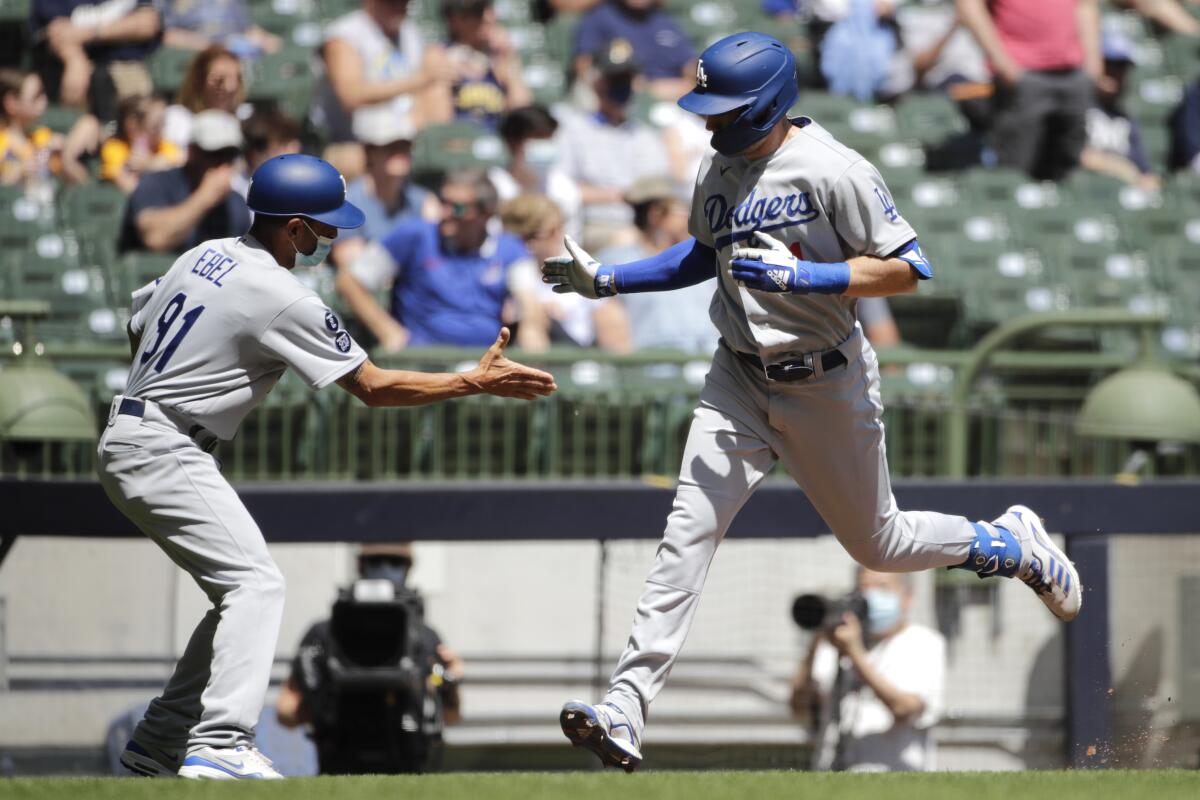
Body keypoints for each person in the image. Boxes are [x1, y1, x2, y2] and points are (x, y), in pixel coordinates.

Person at [543, 32, 1081, 772]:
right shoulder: (720, 163)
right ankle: (627, 707)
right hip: (736, 376)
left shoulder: (834, 169)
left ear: (765, 104)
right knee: (686, 538)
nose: (709, 121)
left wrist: (809, 280)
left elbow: (907, 270)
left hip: (826, 378)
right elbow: (704, 253)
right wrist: (610, 281)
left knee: (877, 545)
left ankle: (1005, 544)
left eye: (723, 108)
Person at [100, 153, 556, 780]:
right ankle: (221, 743)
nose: (332, 237)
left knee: (235, 593)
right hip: (164, 443)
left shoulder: (202, 253)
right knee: (256, 586)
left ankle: (161, 737)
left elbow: (138, 322)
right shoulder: (281, 292)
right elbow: (372, 387)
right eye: (323, 225)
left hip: (137, 427)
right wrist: (472, 382)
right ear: (292, 226)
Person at [275, 543, 465, 774]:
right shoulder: (324, 635)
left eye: (395, 562)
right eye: (376, 562)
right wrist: (319, 701)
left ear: (408, 567)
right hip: (339, 762)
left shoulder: (422, 637)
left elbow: (450, 715)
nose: (385, 569)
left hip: (407, 762)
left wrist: (451, 680)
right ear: (361, 565)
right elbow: (286, 711)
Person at [336, 169, 529, 350]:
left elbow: (531, 307)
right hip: (423, 363)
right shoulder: (415, 236)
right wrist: (388, 332)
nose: (445, 213)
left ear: (486, 213)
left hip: (485, 362)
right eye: (443, 202)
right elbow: (350, 281)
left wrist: (533, 339)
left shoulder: (509, 249)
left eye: (458, 208)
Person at [789, 569, 945, 771]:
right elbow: (799, 707)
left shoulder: (923, 642)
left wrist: (855, 654)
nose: (870, 596)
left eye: (882, 587)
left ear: (907, 596)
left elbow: (906, 709)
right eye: (864, 588)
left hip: (895, 779)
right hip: (830, 777)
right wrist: (816, 642)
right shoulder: (835, 643)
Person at [955, 0, 1102, 181]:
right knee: (1015, 169)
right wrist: (1003, 64)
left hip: (1073, 73)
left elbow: (1085, 6)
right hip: (1022, 76)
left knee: (1071, 168)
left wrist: (1093, 61)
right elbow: (969, 6)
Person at [556, 39, 671, 251]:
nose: (620, 86)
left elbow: (659, 189)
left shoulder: (643, 134)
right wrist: (620, 195)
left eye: (625, 79)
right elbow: (562, 187)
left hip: (643, 226)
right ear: (597, 82)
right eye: (614, 79)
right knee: (629, 240)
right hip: (593, 225)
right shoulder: (573, 129)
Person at [599, 175, 716, 354]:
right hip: (653, 372)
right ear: (656, 214)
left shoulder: (708, 256)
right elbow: (615, 338)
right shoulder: (614, 263)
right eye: (682, 208)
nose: (690, 215)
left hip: (712, 367)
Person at [310, 0, 454, 146]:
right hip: (349, 140)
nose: (398, 8)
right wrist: (417, 81)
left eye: (402, 3)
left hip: (403, 131)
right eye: (390, 3)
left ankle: (438, 150)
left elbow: (428, 78)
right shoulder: (346, 34)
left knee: (437, 86)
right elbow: (351, 96)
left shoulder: (409, 31)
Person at [500, 193, 631, 351]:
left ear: (557, 230)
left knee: (611, 314)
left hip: (582, 351)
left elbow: (609, 320)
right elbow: (527, 313)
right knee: (533, 322)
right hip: (542, 353)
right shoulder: (520, 269)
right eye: (524, 238)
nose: (530, 245)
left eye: (535, 236)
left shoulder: (583, 265)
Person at [118, 109, 250, 253]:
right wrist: (204, 198)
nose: (222, 164)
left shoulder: (236, 204)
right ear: (192, 151)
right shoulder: (156, 183)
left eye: (230, 156)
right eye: (214, 154)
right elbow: (154, 237)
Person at [330, 104, 438, 271]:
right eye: (391, 147)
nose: (400, 152)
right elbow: (353, 268)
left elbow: (437, 260)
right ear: (370, 152)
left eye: (405, 146)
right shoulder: (347, 203)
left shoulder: (424, 202)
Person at [31, 0, 160, 118]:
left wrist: (92, 33)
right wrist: (75, 60)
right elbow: (54, 31)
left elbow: (148, 23)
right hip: (81, 72)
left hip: (126, 69)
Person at [1080, 33, 1160, 192]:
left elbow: (1146, 172)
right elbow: (1077, 157)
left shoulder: (1126, 119)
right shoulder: (1073, 109)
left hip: (1124, 195)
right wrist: (1122, 169)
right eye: (1109, 64)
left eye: (1121, 67)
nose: (1114, 73)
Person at [571, 0, 697, 101]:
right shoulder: (601, 16)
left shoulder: (664, 20)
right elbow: (584, 65)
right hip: (622, 98)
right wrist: (646, 89)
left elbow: (689, 65)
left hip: (673, 98)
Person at [434, 0, 531, 129]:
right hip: (461, 138)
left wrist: (508, 59)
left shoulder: (499, 56)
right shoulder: (439, 54)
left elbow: (522, 114)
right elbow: (440, 123)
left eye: (487, 10)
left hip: (496, 140)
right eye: (477, 13)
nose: (487, 17)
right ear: (454, 20)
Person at [490, 104, 582, 240]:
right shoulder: (494, 186)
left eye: (548, 138)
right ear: (513, 143)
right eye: (537, 138)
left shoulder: (564, 189)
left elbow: (571, 243)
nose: (544, 145)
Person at [163, 45, 245, 153]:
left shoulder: (246, 116)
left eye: (236, 79)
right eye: (219, 80)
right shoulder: (178, 118)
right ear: (199, 80)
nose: (229, 87)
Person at [100, 95, 183, 194]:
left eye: (162, 123)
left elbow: (181, 160)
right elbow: (129, 186)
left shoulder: (163, 144)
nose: (159, 129)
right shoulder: (114, 147)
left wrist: (149, 164)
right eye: (154, 124)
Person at [161, 0, 282, 57]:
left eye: (260, 47)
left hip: (161, 21)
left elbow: (173, 37)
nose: (258, 41)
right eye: (264, 38)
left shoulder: (221, 44)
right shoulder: (238, 8)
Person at [0, 69, 58, 187]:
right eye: (36, 96)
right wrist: (19, 171)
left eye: (43, 93)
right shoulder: (3, 142)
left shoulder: (43, 136)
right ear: (11, 103)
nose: (44, 101)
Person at [233, 107, 303, 198]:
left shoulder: (301, 187)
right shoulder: (234, 192)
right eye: (284, 143)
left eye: (294, 141)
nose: (295, 148)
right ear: (257, 154)